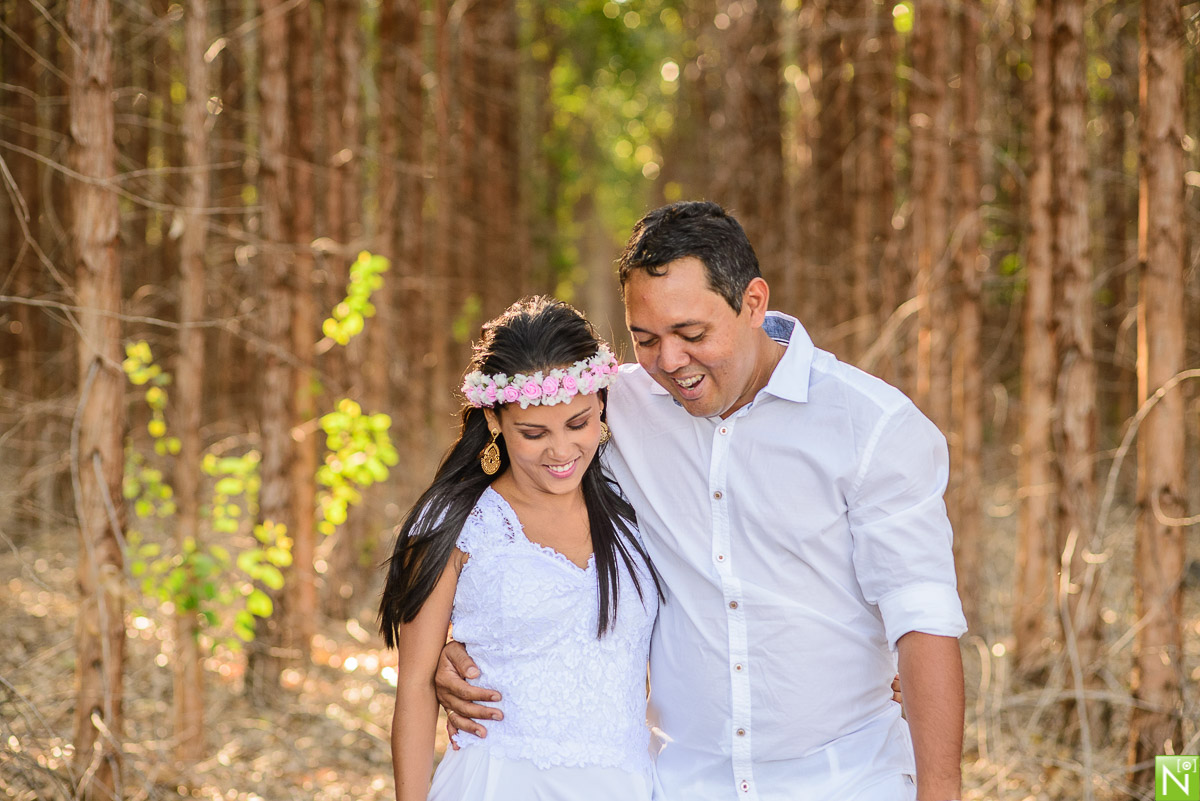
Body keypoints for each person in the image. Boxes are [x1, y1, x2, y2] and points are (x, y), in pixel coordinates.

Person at [437, 201, 968, 801]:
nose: (669, 362)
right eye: (645, 339)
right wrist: (454, 641)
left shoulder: (872, 427)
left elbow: (923, 621)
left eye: (692, 334)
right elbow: (501, 494)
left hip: (846, 777)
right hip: (682, 780)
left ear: (753, 304)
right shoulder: (610, 412)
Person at [378, 297, 664, 801]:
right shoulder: (457, 522)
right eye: (534, 433)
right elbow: (415, 692)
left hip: (626, 780)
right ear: (494, 421)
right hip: (501, 781)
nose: (560, 451)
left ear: (601, 402)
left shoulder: (634, 496)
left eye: (579, 424)